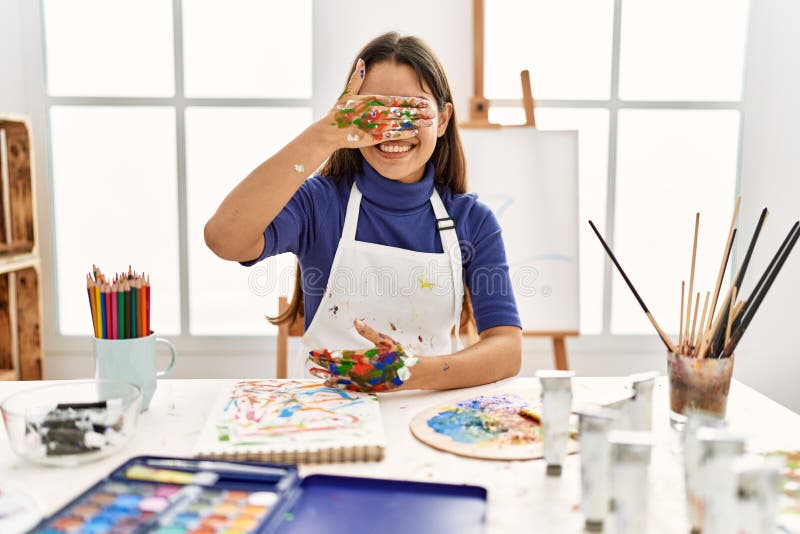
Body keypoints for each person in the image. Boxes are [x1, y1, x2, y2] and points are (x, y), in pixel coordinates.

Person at [205, 32, 521, 391]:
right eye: (375, 110)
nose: (392, 126)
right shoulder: (320, 203)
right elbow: (223, 239)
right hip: (322, 415)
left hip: (424, 414)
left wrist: (412, 373)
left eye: (412, 108)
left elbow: (507, 349)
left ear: (444, 119)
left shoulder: (472, 220)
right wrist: (324, 135)